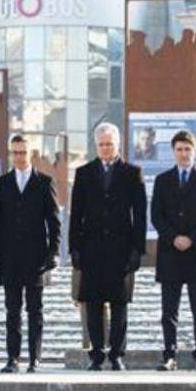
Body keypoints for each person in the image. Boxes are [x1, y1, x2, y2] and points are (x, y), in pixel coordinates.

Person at [69, 122, 147, 371]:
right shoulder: (83, 173)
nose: (105, 148)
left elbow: (140, 215)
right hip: (91, 248)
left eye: (109, 144)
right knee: (92, 303)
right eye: (101, 144)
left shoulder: (132, 173)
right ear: (96, 145)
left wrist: (138, 249)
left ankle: (116, 354)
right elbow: (76, 214)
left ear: (118, 145)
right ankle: (97, 354)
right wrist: (75, 248)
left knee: (119, 303)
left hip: (121, 249)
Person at [0, 134, 60, 373]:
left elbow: (54, 221)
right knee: (12, 310)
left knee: (35, 310)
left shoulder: (44, 182)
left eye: (23, 152)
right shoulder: (2, 183)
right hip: (9, 258)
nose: (19, 157)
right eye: (15, 152)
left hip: (35, 258)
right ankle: (13, 358)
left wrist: (53, 252)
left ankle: (34, 358)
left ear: (31, 154)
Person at [150, 129, 196, 372]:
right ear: (173, 152)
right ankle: (169, 355)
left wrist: (191, 238)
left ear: (194, 150)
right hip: (170, 253)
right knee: (169, 310)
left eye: (187, 149)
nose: (183, 153)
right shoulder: (162, 180)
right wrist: (174, 237)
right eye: (179, 149)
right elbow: (156, 216)